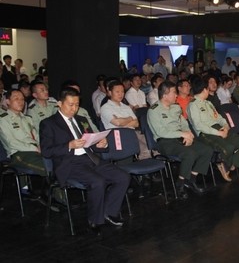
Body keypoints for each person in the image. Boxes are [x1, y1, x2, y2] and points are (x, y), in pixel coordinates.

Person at [40, 87, 131, 234]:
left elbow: (91, 141)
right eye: (70, 105)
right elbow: (46, 151)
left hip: (90, 159)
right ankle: (94, 220)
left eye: (77, 105)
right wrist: (68, 145)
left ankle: (108, 212)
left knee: (123, 177)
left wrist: (101, 144)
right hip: (70, 163)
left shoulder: (82, 120)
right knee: (98, 181)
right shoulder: (49, 124)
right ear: (59, 103)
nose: (74, 108)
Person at [147, 81, 212, 198]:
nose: (176, 95)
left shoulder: (176, 107)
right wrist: (183, 134)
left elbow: (183, 122)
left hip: (181, 137)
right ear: (165, 95)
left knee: (207, 150)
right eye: (174, 92)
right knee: (189, 154)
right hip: (165, 141)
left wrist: (189, 134)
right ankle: (180, 184)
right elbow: (161, 132)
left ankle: (191, 179)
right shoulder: (153, 111)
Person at [187, 79, 239, 182]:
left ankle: (228, 163)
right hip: (206, 133)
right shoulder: (193, 105)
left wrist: (226, 126)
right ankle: (225, 164)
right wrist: (218, 132)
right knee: (228, 148)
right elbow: (199, 126)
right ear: (204, 89)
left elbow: (219, 117)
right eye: (208, 88)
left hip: (220, 129)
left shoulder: (208, 103)